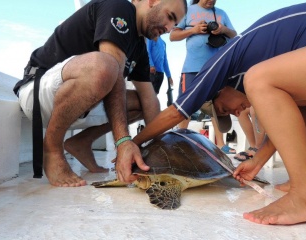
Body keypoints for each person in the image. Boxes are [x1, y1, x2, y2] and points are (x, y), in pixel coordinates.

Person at [117, 1, 306, 225]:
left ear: (219, 89)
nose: (235, 112)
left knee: (258, 79)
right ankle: (305, 182)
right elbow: (293, 118)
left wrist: (131, 144)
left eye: (224, 109)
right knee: (293, 100)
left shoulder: (223, 60)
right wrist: (258, 161)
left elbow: (175, 113)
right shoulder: (258, 56)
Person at [13, 0, 187, 187]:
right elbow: (112, 73)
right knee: (106, 66)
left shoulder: (140, 48)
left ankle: (82, 141)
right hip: (39, 94)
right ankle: (52, 148)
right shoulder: (119, 7)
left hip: (77, 109)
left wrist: (164, 150)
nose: (169, 28)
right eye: (170, 17)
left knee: (141, 103)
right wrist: (123, 142)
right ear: (152, 2)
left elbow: (149, 99)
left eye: (175, 25)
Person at [170, 0, 237, 154]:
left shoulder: (221, 13)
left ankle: (220, 145)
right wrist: (193, 30)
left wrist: (223, 29)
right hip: (192, 68)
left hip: (216, 67)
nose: (211, 1)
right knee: (185, 104)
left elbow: (234, 35)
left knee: (216, 105)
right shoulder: (187, 11)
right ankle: (180, 140)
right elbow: (173, 36)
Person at [146, 36, 173, 101]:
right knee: (147, 95)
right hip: (151, 72)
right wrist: (151, 65)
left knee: (154, 95)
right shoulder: (151, 37)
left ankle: (151, 110)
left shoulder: (163, 43)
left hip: (160, 73)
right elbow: (148, 51)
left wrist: (169, 76)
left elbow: (165, 60)